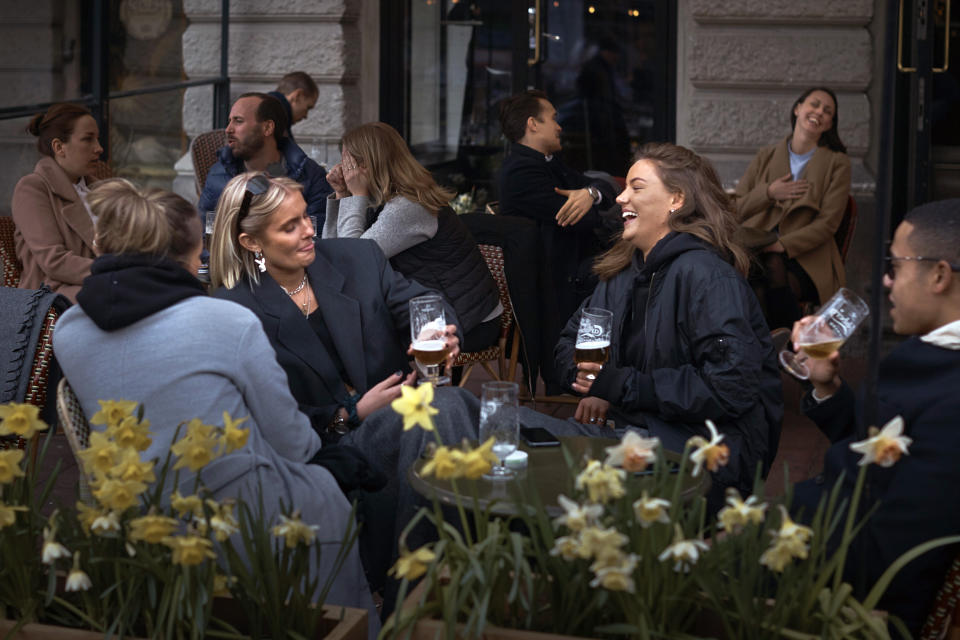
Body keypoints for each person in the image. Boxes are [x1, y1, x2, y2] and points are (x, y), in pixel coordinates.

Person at [50, 179, 379, 634]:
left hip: (130, 521)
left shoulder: (67, 331)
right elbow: (294, 444)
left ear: (100, 245)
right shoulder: (226, 322)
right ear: (192, 257)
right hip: (243, 523)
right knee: (330, 488)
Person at [207, 172, 480, 607]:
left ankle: (417, 600)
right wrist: (350, 413)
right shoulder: (234, 312)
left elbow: (422, 302)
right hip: (332, 447)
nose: (309, 230)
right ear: (251, 243)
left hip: (408, 426)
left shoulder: (357, 258)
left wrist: (438, 329)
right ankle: (425, 601)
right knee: (454, 408)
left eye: (306, 217)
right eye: (289, 225)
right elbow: (256, 418)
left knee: (454, 410)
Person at [533, 142, 783, 501]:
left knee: (519, 456)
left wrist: (621, 386)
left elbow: (731, 387)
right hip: (633, 431)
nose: (620, 198)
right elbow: (567, 346)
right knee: (501, 438)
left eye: (636, 187)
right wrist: (590, 379)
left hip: (699, 456)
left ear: (676, 200)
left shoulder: (708, 277)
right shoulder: (622, 272)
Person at [790, 200, 960, 637]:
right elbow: (878, 448)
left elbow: (897, 551)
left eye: (896, 266)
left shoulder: (948, 390)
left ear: (939, 275)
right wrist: (827, 385)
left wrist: (767, 543)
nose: (886, 280)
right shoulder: (931, 360)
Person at [323, 122, 501, 351]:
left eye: (348, 161)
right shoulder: (382, 197)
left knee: (353, 342)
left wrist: (356, 196)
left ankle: (383, 386)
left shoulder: (409, 206)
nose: (342, 169)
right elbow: (332, 255)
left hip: (465, 321)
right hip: (439, 309)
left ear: (366, 165)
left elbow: (353, 263)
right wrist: (342, 194)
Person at [497, 89, 618, 388]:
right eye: (553, 118)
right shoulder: (522, 171)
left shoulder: (548, 163)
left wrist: (591, 193)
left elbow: (604, 186)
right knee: (627, 277)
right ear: (532, 124)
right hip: (552, 282)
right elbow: (581, 219)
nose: (560, 125)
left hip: (571, 267)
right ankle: (594, 378)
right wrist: (592, 200)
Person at [734, 86, 851, 329]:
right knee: (755, 276)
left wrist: (782, 245)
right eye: (814, 104)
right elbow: (735, 209)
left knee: (772, 268)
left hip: (807, 257)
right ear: (798, 109)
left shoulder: (837, 164)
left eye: (827, 111)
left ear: (830, 124)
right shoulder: (766, 155)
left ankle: (788, 349)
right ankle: (776, 351)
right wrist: (768, 192)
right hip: (758, 248)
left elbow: (828, 224)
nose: (819, 112)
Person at [197, 93, 331, 231]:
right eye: (230, 120)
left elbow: (315, 238)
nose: (228, 129)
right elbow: (205, 235)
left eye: (238, 121)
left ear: (267, 128)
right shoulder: (218, 174)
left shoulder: (311, 176)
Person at [11, 103, 103, 302]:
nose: (99, 148)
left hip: (103, 283)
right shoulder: (33, 188)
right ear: (59, 147)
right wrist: (115, 273)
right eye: (88, 139)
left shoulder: (102, 190)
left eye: (97, 138)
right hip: (51, 295)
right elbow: (54, 261)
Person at [268, 71, 319, 141]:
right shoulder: (276, 116)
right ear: (297, 95)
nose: (306, 116)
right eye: (308, 108)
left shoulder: (270, 110)